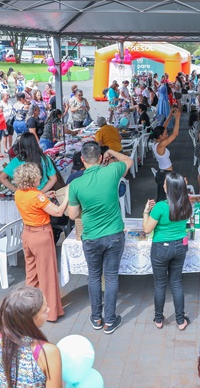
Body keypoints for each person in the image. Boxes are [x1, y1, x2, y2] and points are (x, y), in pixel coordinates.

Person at [67, 142, 133, 334]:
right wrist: (110, 151)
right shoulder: (111, 171)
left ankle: (96, 317)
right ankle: (110, 320)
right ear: (101, 157)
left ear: (82, 159)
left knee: (94, 277)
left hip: (91, 237)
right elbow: (128, 160)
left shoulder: (76, 184)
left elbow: (72, 215)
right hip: (114, 234)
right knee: (111, 277)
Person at [12, 163, 67, 322]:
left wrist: (45, 196)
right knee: (47, 274)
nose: (40, 178)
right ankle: (51, 312)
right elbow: (57, 211)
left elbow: (33, 201)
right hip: (41, 235)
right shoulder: (37, 196)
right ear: (33, 178)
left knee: (32, 273)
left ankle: (29, 308)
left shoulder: (19, 194)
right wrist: (67, 197)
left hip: (27, 234)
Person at [142, 172, 193, 331]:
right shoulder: (187, 204)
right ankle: (180, 320)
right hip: (180, 246)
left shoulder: (160, 207)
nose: (163, 184)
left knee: (159, 285)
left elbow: (147, 229)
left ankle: (158, 319)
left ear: (169, 187)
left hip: (161, 248)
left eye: (165, 183)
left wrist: (145, 212)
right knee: (176, 283)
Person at [151, 108, 182, 201]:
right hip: (164, 174)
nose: (167, 134)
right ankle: (157, 215)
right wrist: (177, 118)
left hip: (163, 173)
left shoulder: (155, 142)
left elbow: (163, 127)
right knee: (162, 199)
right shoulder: (161, 146)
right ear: (160, 136)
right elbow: (175, 134)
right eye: (165, 134)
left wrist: (169, 116)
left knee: (165, 198)